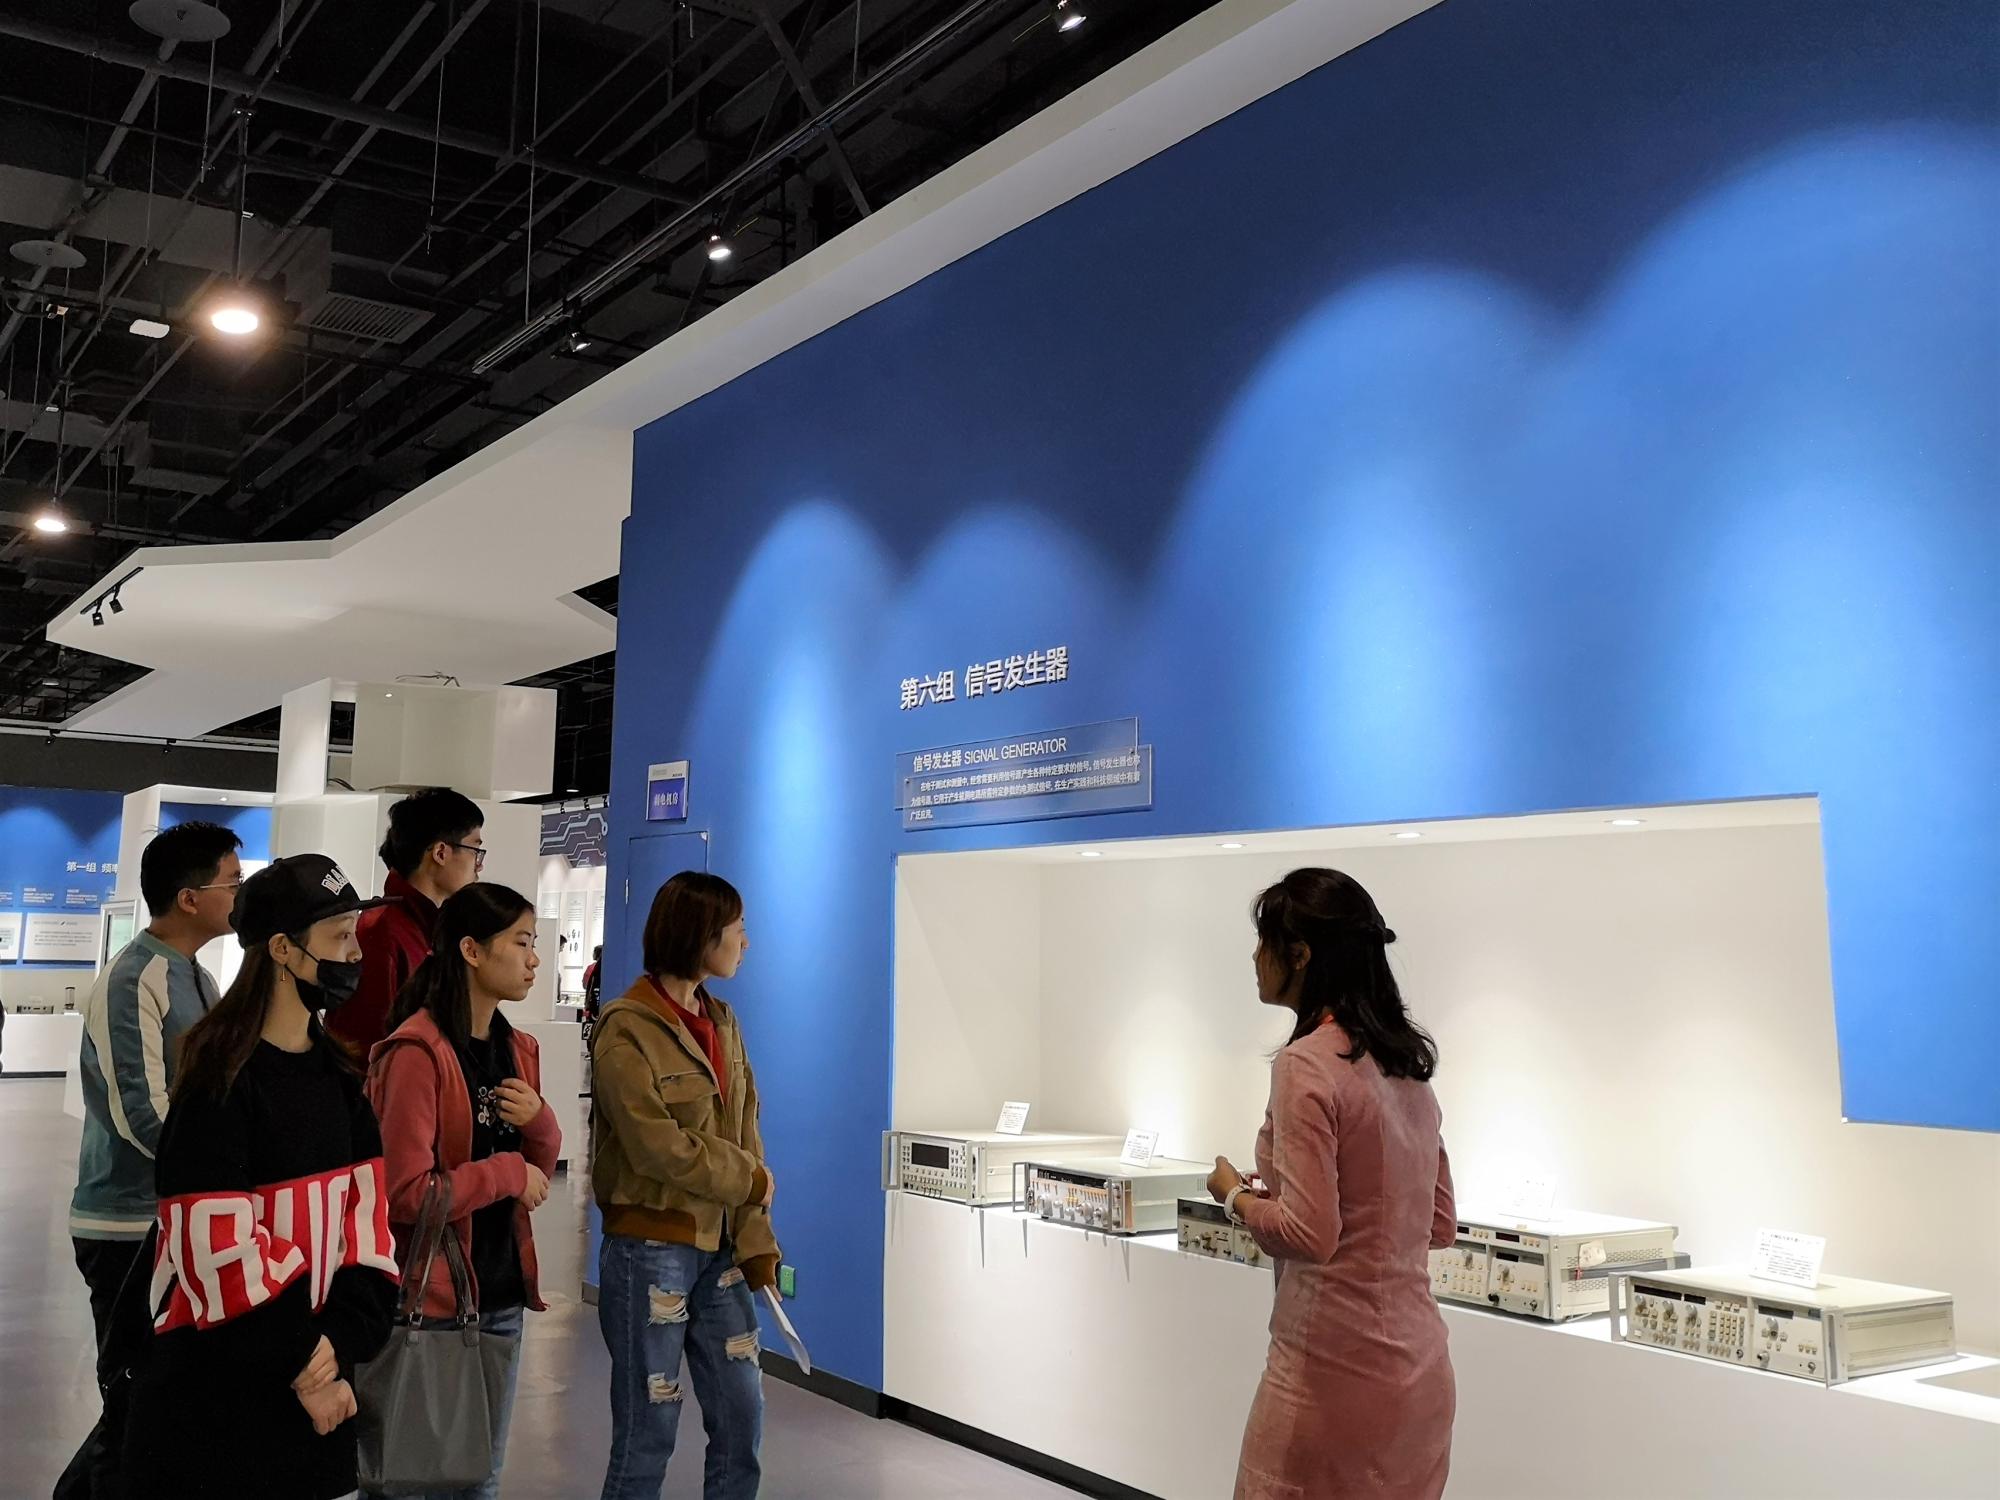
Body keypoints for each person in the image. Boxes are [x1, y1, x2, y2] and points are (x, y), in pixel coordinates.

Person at [122, 854, 400, 1500]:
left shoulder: (342, 1081)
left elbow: (368, 1234)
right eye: (340, 937)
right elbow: (216, 1249)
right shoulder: (218, 1084)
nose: (355, 955)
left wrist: (336, 1345)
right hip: (216, 1409)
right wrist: (306, 1362)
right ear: (282, 948)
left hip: (318, 1404)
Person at [1207, 868, 1456, 1500]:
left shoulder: (1307, 1065)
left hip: (1330, 1374)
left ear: (1300, 955)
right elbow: (1438, 1223)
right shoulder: (1407, 1066)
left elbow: (1310, 1235)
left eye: (1264, 941)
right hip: (1421, 1371)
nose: (1254, 958)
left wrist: (1236, 1197)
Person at [59, 820, 242, 1500]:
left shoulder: (200, 977)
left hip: (178, 1217)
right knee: (132, 1398)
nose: (240, 894)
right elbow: (142, 1114)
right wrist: (218, 1175)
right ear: (190, 898)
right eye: (233, 882)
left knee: (158, 1399)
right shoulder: (133, 978)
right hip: (126, 1227)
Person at [367, 882, 562, 1500]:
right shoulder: (416, 1053)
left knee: (480, 1478)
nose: (534, 959)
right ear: (472, 950)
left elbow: (536, 1172)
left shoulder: (517, 1049)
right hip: (432, 1300)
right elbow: (406, 1193)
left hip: (498, 1293)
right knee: (406, 1479)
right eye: (522, 943)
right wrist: (506, 1172)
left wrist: (541, 1124)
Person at [592, 872, 779, 1500]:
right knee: (649, 1431)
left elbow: (746, 1131)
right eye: (738, 929)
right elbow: (655, 1146)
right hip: (651, 1250)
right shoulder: (626, 1027)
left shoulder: (722, 1021)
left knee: (742, 1414)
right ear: (701, 935)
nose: (746, 942)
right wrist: (747, 1179)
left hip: (720, 1250)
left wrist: (756, 1236)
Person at [328, 787, 486, 1055]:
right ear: (441, 852)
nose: (479, 865)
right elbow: (363, 1046)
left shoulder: (428, 927)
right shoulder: (381, 931)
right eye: (475, 850)